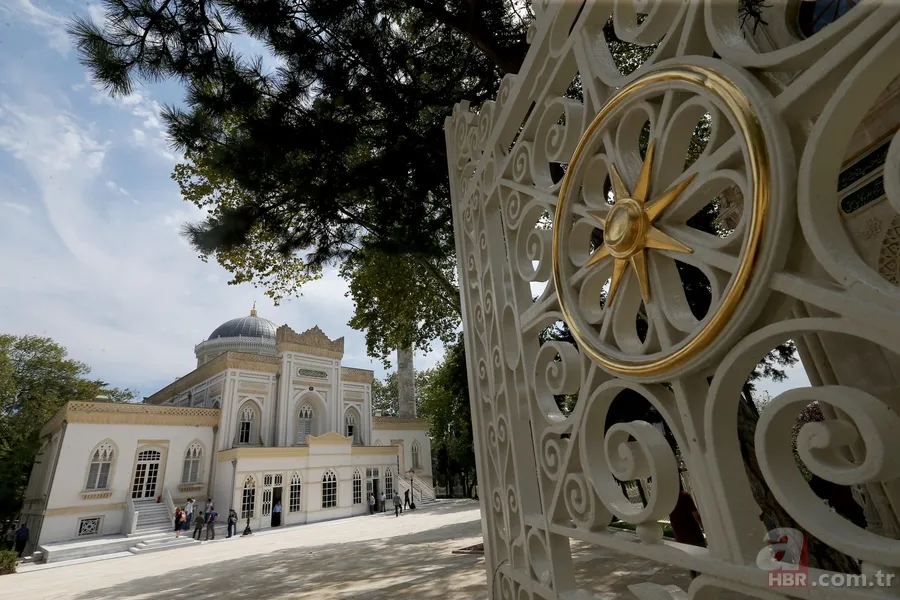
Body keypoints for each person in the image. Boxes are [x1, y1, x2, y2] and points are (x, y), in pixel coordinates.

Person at [668, 486, 705, 579]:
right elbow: (696, 514)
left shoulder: (668, 500)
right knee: (701, 559)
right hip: (693, 532)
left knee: (690, 562)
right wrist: (703, 527)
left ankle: (695, 581)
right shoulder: (684, 495)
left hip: (680, 535)